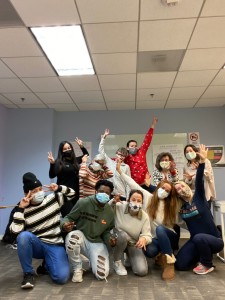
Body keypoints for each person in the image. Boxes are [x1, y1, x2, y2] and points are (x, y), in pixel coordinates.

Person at [116, 161, 180, 280]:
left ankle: (169, 262)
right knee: (149, 252)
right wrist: (120, 172)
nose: (164, 191)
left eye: (167, 191)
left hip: (169, 236)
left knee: (161, 229)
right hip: (154, 237)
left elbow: (182, 222)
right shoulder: (149, 198)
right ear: (157, 188)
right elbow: (133, 185)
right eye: (162, 188)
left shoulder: (171, 205)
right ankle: (160, 256)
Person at [10, 172, 75, 289]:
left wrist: (59, 187)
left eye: (40, 189)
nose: (39, 193)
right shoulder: (21, 208)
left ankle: (46, 265)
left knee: (61, 278)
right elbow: (15, 232)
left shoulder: (53, 199)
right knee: (23, 236)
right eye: (34, 191)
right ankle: (28, 274)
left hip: (55, 244)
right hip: (37, 245)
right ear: (26, 193)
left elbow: (72, 194)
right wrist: (20, 209)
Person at [175, 144, 224, 275]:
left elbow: (200, 181)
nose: (181, 189)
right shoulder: (181, 208)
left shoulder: (199, 197)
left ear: (186, 186)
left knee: (199, 237)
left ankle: (207, 264)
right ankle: (199, 255)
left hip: (214, 241)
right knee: (180, 264)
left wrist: (202, 162)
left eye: (181, 186)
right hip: (196, 241)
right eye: (177, 189)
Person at [61, 180, 116, 283]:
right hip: (81, 238)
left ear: (110, 194)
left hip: (96, 242)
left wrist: (110, 239)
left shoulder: (110, 211)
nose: (103, 194)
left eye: (107, 193)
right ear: (95, 191)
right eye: (101, 191)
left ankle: (89, 259)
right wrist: (64, 225)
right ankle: (77, 268)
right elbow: (69, 218)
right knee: (72, 238)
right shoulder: (83, 202)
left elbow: (106, 232)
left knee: (102, 275)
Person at [110, 190, 152, 277]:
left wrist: (144, 239)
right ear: (128, 200)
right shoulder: (119, 206)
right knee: (123, 235)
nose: (136, 203)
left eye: (139, 201)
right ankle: (116, 261)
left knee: (142, 271)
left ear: (142, 203)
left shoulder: (144, 216)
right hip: (118, 239)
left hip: (133, 243)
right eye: (133, 199)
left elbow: (147, 234)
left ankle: (129, 256)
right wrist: (112, 201)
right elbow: (106, 209)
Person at [48, 137, 89, 216]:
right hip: (63, 193)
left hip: (76, 193)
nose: (67, 150)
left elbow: (86, 155)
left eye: (69, 148)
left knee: (77, 217)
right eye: (65, 149)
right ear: (61, 151)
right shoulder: (58, 162)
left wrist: (81, 146)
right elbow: (51, 175)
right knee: (68, 217)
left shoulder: (75, 161)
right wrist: (52, 164)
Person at [125, 116, 158, 185]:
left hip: (145, 183)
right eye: (132, 146)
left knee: (154, 193)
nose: (134, 147)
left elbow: (147, 139)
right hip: (132, 184)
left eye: (135, 146)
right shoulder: (125, 156)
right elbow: (116, 159)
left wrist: (153, 125)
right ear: (127, 148)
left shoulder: (141, 152)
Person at [99, 129, 131, 199]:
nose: (120, 157)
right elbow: (101, 151)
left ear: (125, 157)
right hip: (109, 193)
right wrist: (103, 138)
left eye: (123, 155)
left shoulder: (126, 167)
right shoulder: (109, 162)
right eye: (119, 154)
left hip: (122, 194)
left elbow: (128, 183)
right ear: (116, 154)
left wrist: (128, 197)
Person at [183, 144, 216, 208]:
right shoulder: (186, 166)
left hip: (205, 194)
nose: (189, 153)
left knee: (205, 215)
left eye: (190, 151)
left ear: (195, 151)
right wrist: (189, 179)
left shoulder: (205, 161)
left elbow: (209, 177)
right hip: (193, 196)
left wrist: (200, 169)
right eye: (186, 152)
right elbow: (186, 183)